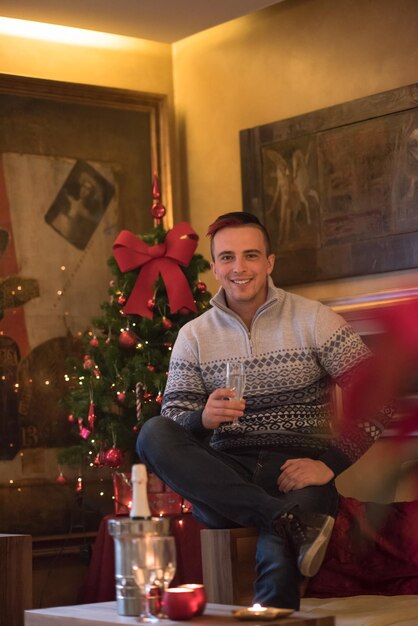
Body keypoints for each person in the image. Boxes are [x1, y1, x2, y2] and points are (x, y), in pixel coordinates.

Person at [137, 211, 392, 610]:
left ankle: (281, 526)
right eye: (227, 258)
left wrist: (328, 464)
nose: (239, 268)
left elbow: (381, 394)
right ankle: (282, 518)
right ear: (215, 267)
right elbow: (172, 422)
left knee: (277, 564)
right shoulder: (194, 336)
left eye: (251, 255)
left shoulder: (313, 319)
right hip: (224, 475)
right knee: (152, 433)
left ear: (269, 263)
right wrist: (201, 418)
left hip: (298, 472)